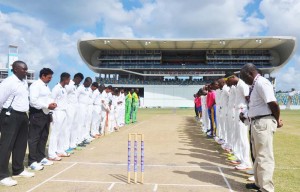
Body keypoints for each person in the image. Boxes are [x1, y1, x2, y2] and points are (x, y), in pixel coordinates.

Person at [240, 63, 283, 192]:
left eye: (243, 77)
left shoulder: (261, 83)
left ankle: (266, 188)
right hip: (256, 123)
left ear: (249, 73)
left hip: (263, 122)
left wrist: (277, 119)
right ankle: (259, 183)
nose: (243, 80)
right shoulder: (255, 84)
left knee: (264, 156)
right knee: (257, 155)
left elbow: (273, 103)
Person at [0, 61, 35, 187]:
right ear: (15, 69)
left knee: (20, 144)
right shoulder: (8, 82)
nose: (26, 71)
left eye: (26, 69)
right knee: (6, 145)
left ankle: (18, 169)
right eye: (23, 69)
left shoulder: (24, 81)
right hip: (10, 115)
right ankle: (2, 175)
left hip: (22, 115)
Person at [28, 68, 56, 171]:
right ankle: (32, 161)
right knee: (34, 138)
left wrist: (52, 103)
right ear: (43, 76)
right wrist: (47, 105)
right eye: (49, 77)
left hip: (46, 113)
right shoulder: (35, 85)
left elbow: (48, 98)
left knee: (44, 136)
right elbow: (33, 101)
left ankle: (41, 157)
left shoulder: (46, 86)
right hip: (37, 113)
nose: (50, 79)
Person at [225, 73, 252, 170]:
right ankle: (240, 158)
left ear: (233, 77)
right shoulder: (236, 86)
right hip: (237, 111)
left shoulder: (242, 85)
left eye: (228, 80)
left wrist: (247, 113)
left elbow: (248, 100)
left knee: (243, 137)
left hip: (242, 111)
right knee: (237, 136)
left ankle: (246, 162)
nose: (227, 82)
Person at [48, 72, 70, 161]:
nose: (69, 81)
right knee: (55, 133)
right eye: (68, 79)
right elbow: (51, 100)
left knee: (62, 132)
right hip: (57, 112)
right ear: (65, 79)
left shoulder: (64, 88)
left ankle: (60, 150)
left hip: (64, 112)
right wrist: (50, 113)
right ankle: (51, 154)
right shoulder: (56, 88)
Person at [65, 73, 84, 151]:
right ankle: (66, 146)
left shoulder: (76, 86)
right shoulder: (69, 84)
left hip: (75, 108)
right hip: (70, 107)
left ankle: (72, 144)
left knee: (74, 126)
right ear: (76, 78)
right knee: (68, 127)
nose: (80, 82)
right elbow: (64, 95)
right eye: (79, 80)